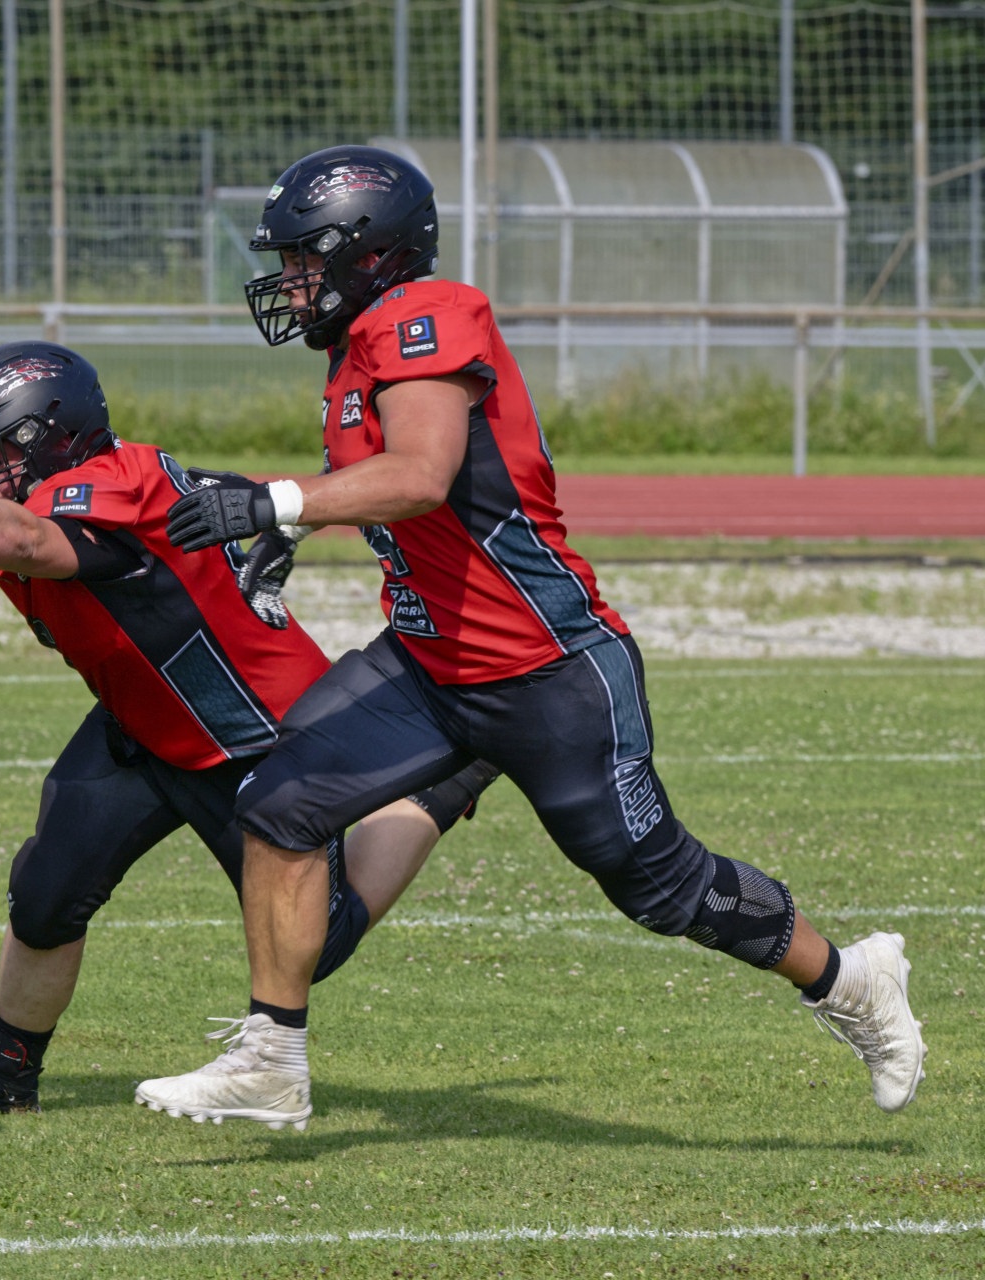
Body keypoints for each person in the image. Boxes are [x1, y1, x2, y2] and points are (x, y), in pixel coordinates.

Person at [134, 145, 926, 1129]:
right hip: (431, 662)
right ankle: (270, 1059)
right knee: (279, 803)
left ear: (369, 253)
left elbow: (422, 472)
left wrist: (275, 500)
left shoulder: (425, 314)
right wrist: (292, 524)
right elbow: (408, 501)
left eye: (303, 258)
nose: (290, 281)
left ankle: (851, 980)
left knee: (662, 885)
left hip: (546, 668)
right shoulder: (357, 348)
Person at [0, 340, 496, 1123]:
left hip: (251, 737)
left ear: (56, 436)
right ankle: (6, 1079)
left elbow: (26, 539)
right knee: (45, 896)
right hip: (139, 722)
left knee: (313, 943)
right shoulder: (6, 489)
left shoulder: (120, 484)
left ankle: (441, 787)